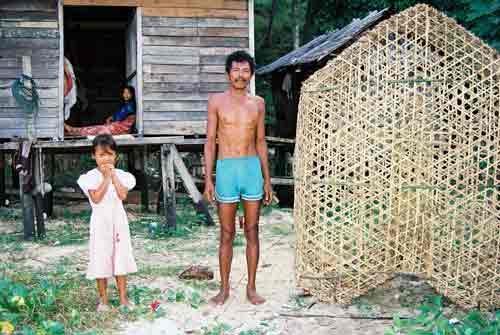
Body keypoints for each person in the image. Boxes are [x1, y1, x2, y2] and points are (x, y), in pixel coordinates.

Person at [203, 50, 272, 306]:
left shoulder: (258, 103)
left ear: (251, 74)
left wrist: (267, 179)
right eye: (235, 70)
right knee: (227, 232)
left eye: (245, 71)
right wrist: (208, 179)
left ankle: (252, 288)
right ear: (227, 73)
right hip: (226, 169)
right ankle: (224, 289)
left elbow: (261, 141)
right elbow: (210, 142)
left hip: (251, 168)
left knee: (252, 230)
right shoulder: (216, 102)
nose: (240, 75)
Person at [77, 134, 137, 311]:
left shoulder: (123, 176)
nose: (106, 159)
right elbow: (96, 198)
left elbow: (122, 195)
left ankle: (123, 299)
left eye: (109, 154)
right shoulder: (88, 177)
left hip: (118, 221)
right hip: (100, 222)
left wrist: (113, 176)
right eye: (101, 155)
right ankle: (103, 301)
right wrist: (105, 178)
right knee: (100, 257)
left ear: (115, 156)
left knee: (121, 256)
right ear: (93, 156)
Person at [64, 86, 136, 136]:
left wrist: (112, 120)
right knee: (96, 128)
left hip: (121, 130)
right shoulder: (127, 105)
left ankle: (72, 130)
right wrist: (112, 117)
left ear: (132, 94)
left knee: (97, 129)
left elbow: (119, 118)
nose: (125, 95)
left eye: (128, 93)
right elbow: (119, 115)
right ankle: (72, 130)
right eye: (124, 93)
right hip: (117, 127)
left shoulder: (130, 106)